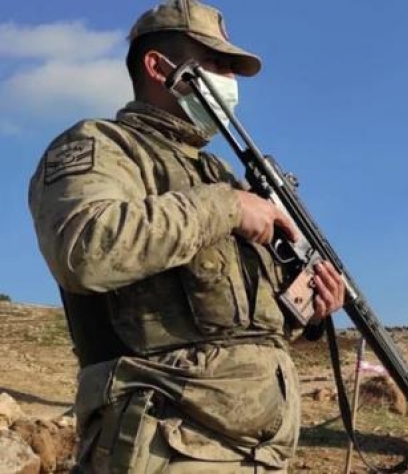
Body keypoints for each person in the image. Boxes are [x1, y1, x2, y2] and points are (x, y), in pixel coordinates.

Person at [27, 1, 345, 472]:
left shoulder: (217, 173)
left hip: (260, 449)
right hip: (163, 442)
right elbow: (84, 249)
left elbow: (242, 323)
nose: (229, 82)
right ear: (158, 67)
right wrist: (226, 208)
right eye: (217, 64)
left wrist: (309, 309)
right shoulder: (99, 145)